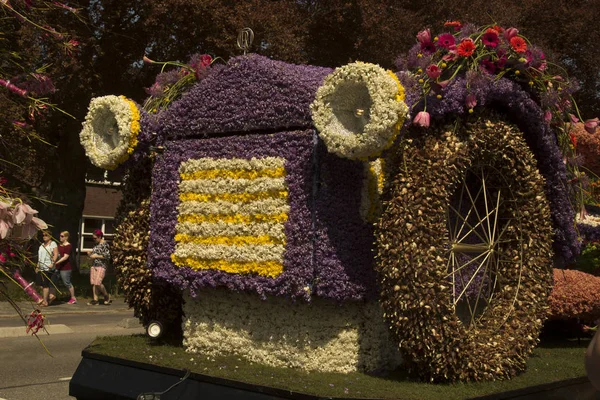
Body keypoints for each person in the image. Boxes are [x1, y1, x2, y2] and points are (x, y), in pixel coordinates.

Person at [86, 229, 111, 305]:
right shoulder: (96, 244)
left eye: (95, 238)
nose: (94, 240)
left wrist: (97, 256)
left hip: (101, 265)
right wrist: (90, 253)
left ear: (100, 237)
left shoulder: (105, 244)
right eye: (93, 238)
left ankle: (106, 295)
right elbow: (94, 253)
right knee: (94, 283)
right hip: (94, 265)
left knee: (98, 282)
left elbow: (107, 256)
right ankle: (95, 299)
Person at [36, 230, 58, 307]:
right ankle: (50, 296)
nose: (44, 236)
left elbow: (55, 254)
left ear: (50, 236)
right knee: (41, 284)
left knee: (45, 285)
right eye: (43, 235)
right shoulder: (41, 245)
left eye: (46, 235)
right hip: (41, 267)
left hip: (47, 267)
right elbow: (39, 257)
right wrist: (37, 266)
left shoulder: (53, 244)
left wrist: (52, 263)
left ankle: (45, 301)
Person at [55, 230, 77, 304]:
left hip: (65, 268)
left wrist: (57, 262)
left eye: (62, 236)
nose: (60, 237)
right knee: (54, 281)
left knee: (66, 282)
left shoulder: (68, 246)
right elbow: (57, 254)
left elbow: (65, 257)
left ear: (66, 237)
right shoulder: (59, 245)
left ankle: (73, 298)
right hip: (58, 267)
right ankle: (54, 296)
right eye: (60, 236)